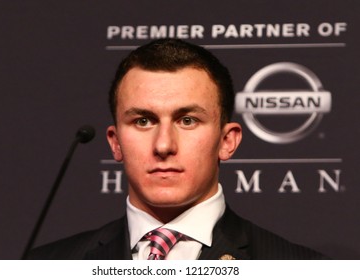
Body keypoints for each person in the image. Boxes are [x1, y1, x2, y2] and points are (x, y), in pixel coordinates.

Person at [29, 38, 326, 260]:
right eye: (143, 121)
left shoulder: (302, 269)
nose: (163, 145)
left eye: (187, 120)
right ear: (115, 142)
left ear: (227, 141)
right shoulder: (41, 268)